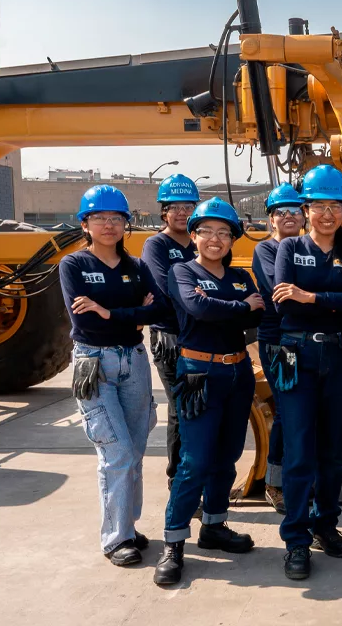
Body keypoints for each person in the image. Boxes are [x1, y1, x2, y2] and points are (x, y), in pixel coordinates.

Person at [271, 164, 342, 581]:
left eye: (335, 206)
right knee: (299, 451)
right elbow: (283, 304)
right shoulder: (289, 249)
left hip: (340, 357)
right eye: (318, 206)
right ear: (306, 208)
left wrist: (310, 295)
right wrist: (336, 299)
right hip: (297, 357)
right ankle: (296, 538)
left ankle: (324, 524)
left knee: (332, 451)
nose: (327, 214)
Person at [154, 197, 263, 586]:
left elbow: (257, 311)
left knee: (227, 457)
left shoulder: (240, 277)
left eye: (224, 233)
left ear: (233, 239)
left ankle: (214, 526)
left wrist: (234, 305)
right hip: (199, 373)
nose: (215, 239)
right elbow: (199, 309)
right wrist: (239, 306)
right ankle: (173, 542)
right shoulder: (181, 271)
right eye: (207, 231)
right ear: (194, 236)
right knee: (195, 461)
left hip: (237, 374)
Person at [59, 184, 167, 567]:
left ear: (126, 224)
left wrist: (109, 311)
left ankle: (127, 526)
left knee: (135, 449)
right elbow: (83, 318)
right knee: (116, 451)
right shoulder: (73, 266)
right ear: (85, 225)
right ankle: (115, 538)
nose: (108, 225)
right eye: (99, 218)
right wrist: (133, 309)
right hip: (94, 363)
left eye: (116, 218)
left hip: (134, 360)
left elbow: (160, 310)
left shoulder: (136, 267)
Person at [250, 183, 305, 515]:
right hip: (280, 341)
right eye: (280, 212)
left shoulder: (312, 246)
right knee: (287, 410)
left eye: (294, 211)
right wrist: (320, 292)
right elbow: (279, 292)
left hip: (309, 337)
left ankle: (300, 476)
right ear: (271, 219)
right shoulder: (266, 251)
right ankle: (275, 483)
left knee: (307, 410)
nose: (288, 217)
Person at [140, 174, 198, 489]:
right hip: (171, 340)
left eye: (187, 206)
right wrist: (203, 295)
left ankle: (196, 476)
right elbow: (165, 290)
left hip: (201, 336)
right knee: (181, 410)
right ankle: (179, 479)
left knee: (200, 409)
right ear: (164, 212)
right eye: (174, 206)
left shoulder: (201, 242)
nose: (181, 213)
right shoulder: (157, 245)